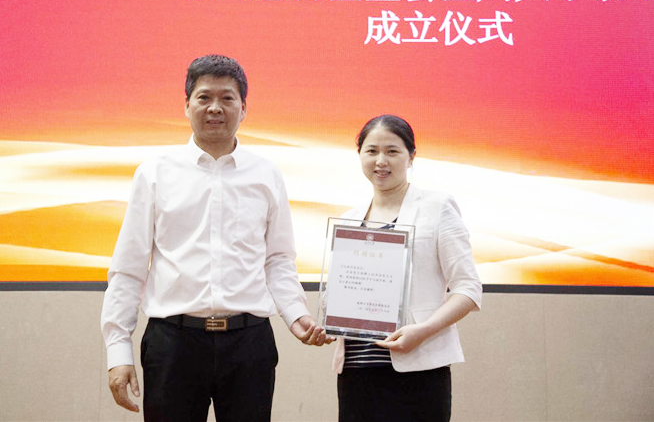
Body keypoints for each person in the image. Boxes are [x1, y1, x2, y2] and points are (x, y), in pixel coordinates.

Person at [101, 54, 327, 422]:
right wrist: (117, 350)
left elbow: (278, 260)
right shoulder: (155, 173)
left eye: (227, 98)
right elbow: (128, 268)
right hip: (172, 343)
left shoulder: (266, 175)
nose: (215, 108)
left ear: (244, 108)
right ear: (186, 105)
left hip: (249, 344)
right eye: (204, 97)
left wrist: (296, 314)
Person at [332, 115, 482, 422]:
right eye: (371, 151)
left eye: (392, 151)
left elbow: (468, 288)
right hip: (357, 372)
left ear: (411, 156)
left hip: (419, 368)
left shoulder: (437, 207)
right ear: (360, 155)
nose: (381, 161)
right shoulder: (349, 220)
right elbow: (344, 291)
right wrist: (330, 316)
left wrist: (422, 331)